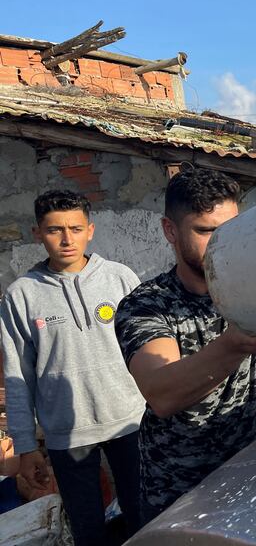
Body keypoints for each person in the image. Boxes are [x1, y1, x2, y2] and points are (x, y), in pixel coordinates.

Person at [115, 168, 256, 524]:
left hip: (253, 473)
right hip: (180, 495)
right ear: (171, 231)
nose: (220, 242)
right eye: (205, 230)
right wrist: (234, 345)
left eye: (229, 229)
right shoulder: (147, 304)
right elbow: (162, 392)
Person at [0, 190, 144, 545]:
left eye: (75, 228)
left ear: (90, 230)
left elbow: (146, 347)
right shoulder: (21, 295)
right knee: (87, 529)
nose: (67, 239)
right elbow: (17, 375)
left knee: (146, 518)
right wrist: (25, 444)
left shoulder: (119, 278)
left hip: (132, 421)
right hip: (67, 432)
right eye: (54, 230)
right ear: (38, 234)